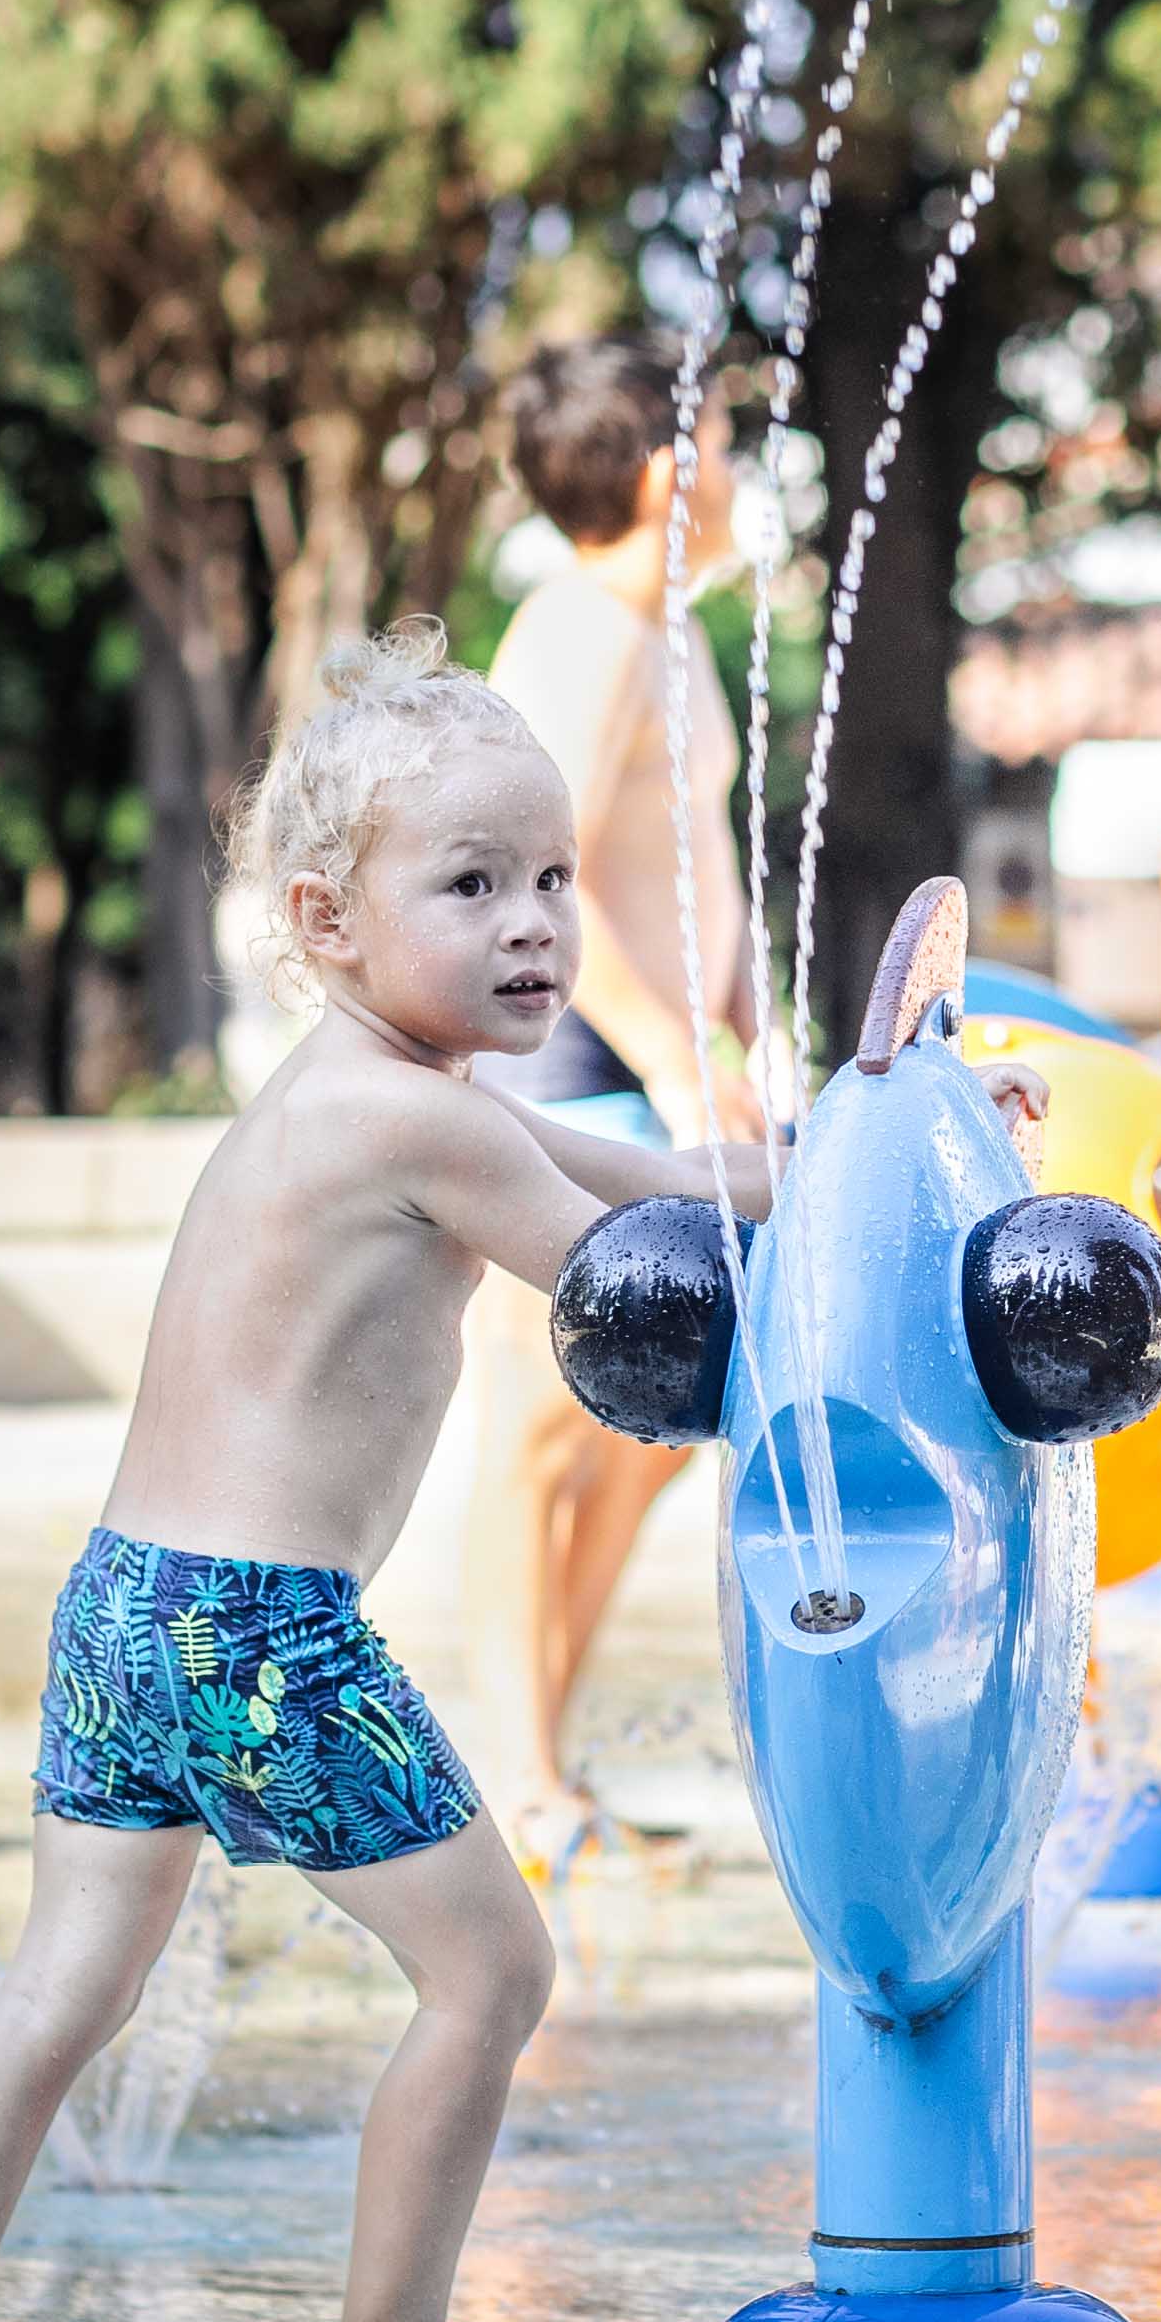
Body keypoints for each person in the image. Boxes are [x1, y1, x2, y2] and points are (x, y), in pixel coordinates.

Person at [0, 630, 1017, 2322]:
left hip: (124, 1607)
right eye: (472, 886)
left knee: (62, 1993)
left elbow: (668, 1177)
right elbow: (651, 1290)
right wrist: (885, 1277)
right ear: (324, 918)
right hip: (259, 1633)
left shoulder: (363, 1092)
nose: (537, 922)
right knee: (491, 1980)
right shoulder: (414, 1120)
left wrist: (880, 1136)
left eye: (551, 876)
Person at [460, 337, 781, 1844]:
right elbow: (544, 890)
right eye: (722, 435)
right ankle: (512, 1775)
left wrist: (751, 1028)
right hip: (580, 1064)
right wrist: (673, 1053)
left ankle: (544, 1760)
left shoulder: (672, 632)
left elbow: (702, 865)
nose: (736, 462)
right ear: (669, 470)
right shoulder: (579, 633)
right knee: (542, 1426)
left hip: (676, 1068)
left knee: (652, 1430)